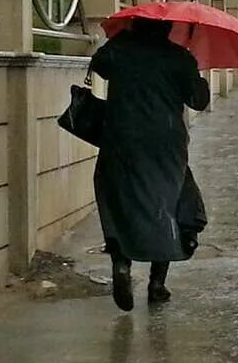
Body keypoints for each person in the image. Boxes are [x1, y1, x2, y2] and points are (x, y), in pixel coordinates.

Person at [90, 18, 212, 310]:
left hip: (121, 139)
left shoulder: (121, 52)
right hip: (166, 144)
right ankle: (157, 283)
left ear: (136, 27)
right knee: (168, 205)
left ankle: (121, 263)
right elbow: (198, 100)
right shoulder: (179, 57)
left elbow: (99, 64)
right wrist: (198, 76)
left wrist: (121, 39)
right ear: (167, 30)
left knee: (121, 201)